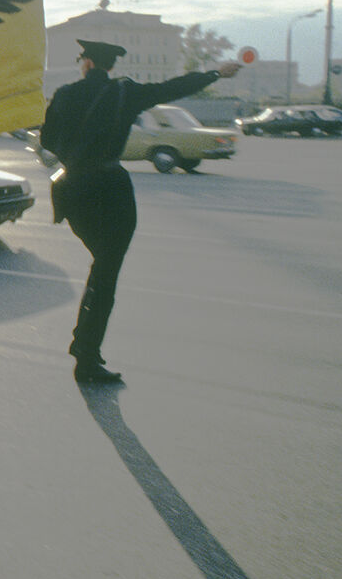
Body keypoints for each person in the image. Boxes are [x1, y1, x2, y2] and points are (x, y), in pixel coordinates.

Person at [39, 40, 241, 384]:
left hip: (73, 190)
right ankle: (86, 354)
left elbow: (47, 141)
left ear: (85, 63)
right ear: (110, 66)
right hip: (112, 192)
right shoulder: (125, 93)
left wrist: (75, 155)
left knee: (99, 268)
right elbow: (172, 88)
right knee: (105, 274)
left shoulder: (64, 94)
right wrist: (215, 73)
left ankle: (84, 348)